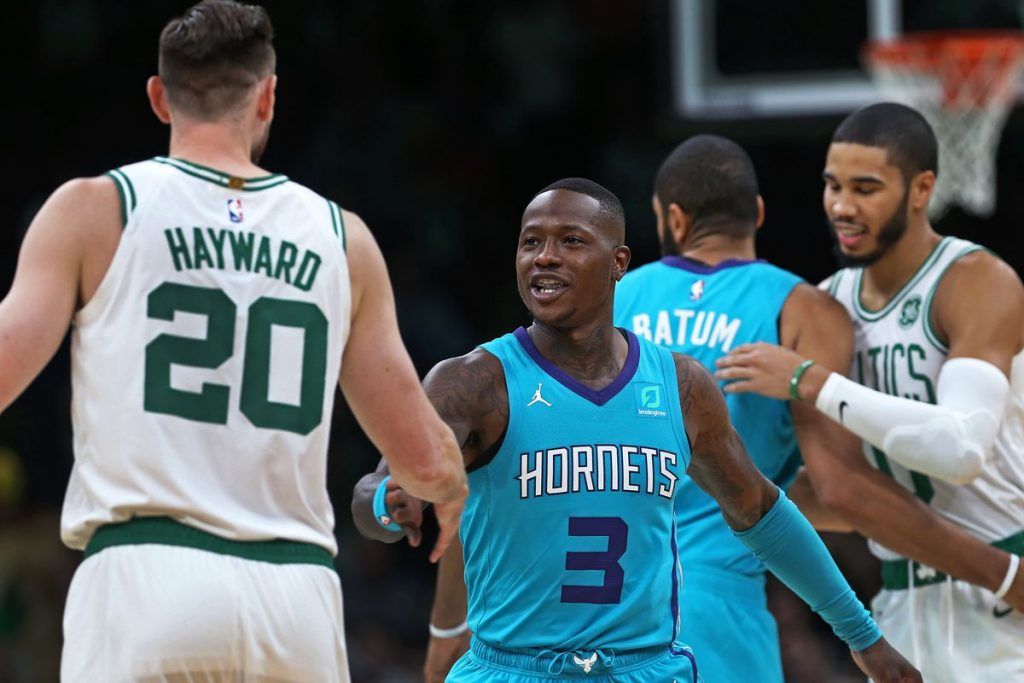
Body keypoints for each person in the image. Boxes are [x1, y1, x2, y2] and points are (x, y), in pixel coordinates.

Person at [0, 1, 468, 681]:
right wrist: (448, 492)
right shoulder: (343, 237)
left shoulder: (96, 208)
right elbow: (424, 458)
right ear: (268, 96)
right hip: (294, 597)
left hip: (145, 576)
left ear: (160, 98)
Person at [353, 178, 920, 682]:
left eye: (570, 241)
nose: (544, 258)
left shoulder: (681, 385)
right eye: (531, 242)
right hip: (515, 667)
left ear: (619, 261)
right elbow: (370, 495)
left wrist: (862, 636)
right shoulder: (473, 382)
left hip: (645, 667)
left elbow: (762, 514)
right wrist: (387, 501)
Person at [610, 134, 1024, 682]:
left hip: (592, 604)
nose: (843, 204)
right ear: (757, 213)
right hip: (728, 605)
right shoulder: (809, 306)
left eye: (864, 186)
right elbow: (833, 490)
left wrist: (458, 632)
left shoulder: (608, 305)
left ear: (673, 219)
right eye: (834, 186)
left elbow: (524, 459)